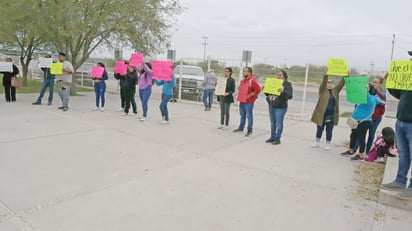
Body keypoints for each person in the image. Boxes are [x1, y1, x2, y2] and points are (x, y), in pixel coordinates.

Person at [381, 54, 412, 200]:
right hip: (401, 121)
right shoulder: (408, 79)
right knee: (404, 154)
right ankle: (400, 181)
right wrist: (390, 81)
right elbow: (398, 93)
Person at [341, 83, 379, 160]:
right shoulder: (362, 98)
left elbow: (369, 98)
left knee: (361, 138)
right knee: (353, 136)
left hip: (364, 122)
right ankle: (351, 151)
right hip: (356, 121)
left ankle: (361, 155)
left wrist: (366, 91)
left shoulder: (371, 98)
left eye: (367, 87)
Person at [311, 69, 345, 150]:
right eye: (328, 82)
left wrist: (346, 76)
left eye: (331, 83)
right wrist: (326, 75)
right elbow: (323, 83)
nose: (329, 84)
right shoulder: (322, 91)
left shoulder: (335, 91)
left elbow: (341, 84)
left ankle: (328, 144)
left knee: (329, 130)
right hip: (322, 114)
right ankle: (317, 142)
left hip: (331, 115)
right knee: (320, 128)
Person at [353, 77, 387, 153]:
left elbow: (384, 103)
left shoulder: (383, 92)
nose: (374, 83)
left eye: (376, 82)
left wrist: (376, 98)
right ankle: (354, 149)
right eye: (373, 81)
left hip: (376, 117)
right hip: (365, 116)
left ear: (380, 84)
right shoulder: (368, 89)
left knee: (371, 133)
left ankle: (367, 151)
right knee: (360, 133)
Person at [264, 70, 293, 145]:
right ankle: (272, 137)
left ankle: (277, 138)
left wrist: (283, 91)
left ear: (284, 76)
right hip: (272, 105)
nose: (278, 77)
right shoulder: (275, 82)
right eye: (278, 75)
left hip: (280, 107)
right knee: (272, 123)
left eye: (280, 75)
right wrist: (265, 90)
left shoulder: (287, 84)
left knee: (279, 123)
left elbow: (289, 96)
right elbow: (269, 94)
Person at [233, 67, 261, 137]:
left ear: (249, 72)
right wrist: (240, 88)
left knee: (249, 116)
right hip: (242, 100)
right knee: (242, 115)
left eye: (245, 71)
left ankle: (249, 130)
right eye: (243, 71)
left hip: (249, 101)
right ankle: (241, 128)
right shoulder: (243, 81)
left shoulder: (252, 80)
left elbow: (258, 90)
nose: (243, 72)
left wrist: (250, 95)